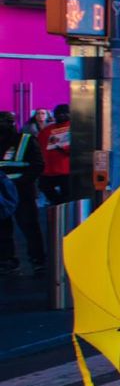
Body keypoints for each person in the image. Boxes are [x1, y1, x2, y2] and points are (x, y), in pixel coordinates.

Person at [0, 112, 45, 275]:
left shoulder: (26, 140)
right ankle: (7, 260)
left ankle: (38, 260)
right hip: (2, 193)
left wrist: (20, 182)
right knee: (3, 229)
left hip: (22, 190)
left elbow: (38, 165)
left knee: (29, 227)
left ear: (12, 123)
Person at [38, 104, 71, 205]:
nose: (61, 116)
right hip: (50, 170)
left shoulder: (73, 128)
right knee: (59, 195)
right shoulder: (47, 130)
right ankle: (58, 205)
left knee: (65, 195)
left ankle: (59, 206)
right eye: (59, 113)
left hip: (64, 170)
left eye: (64, 113)